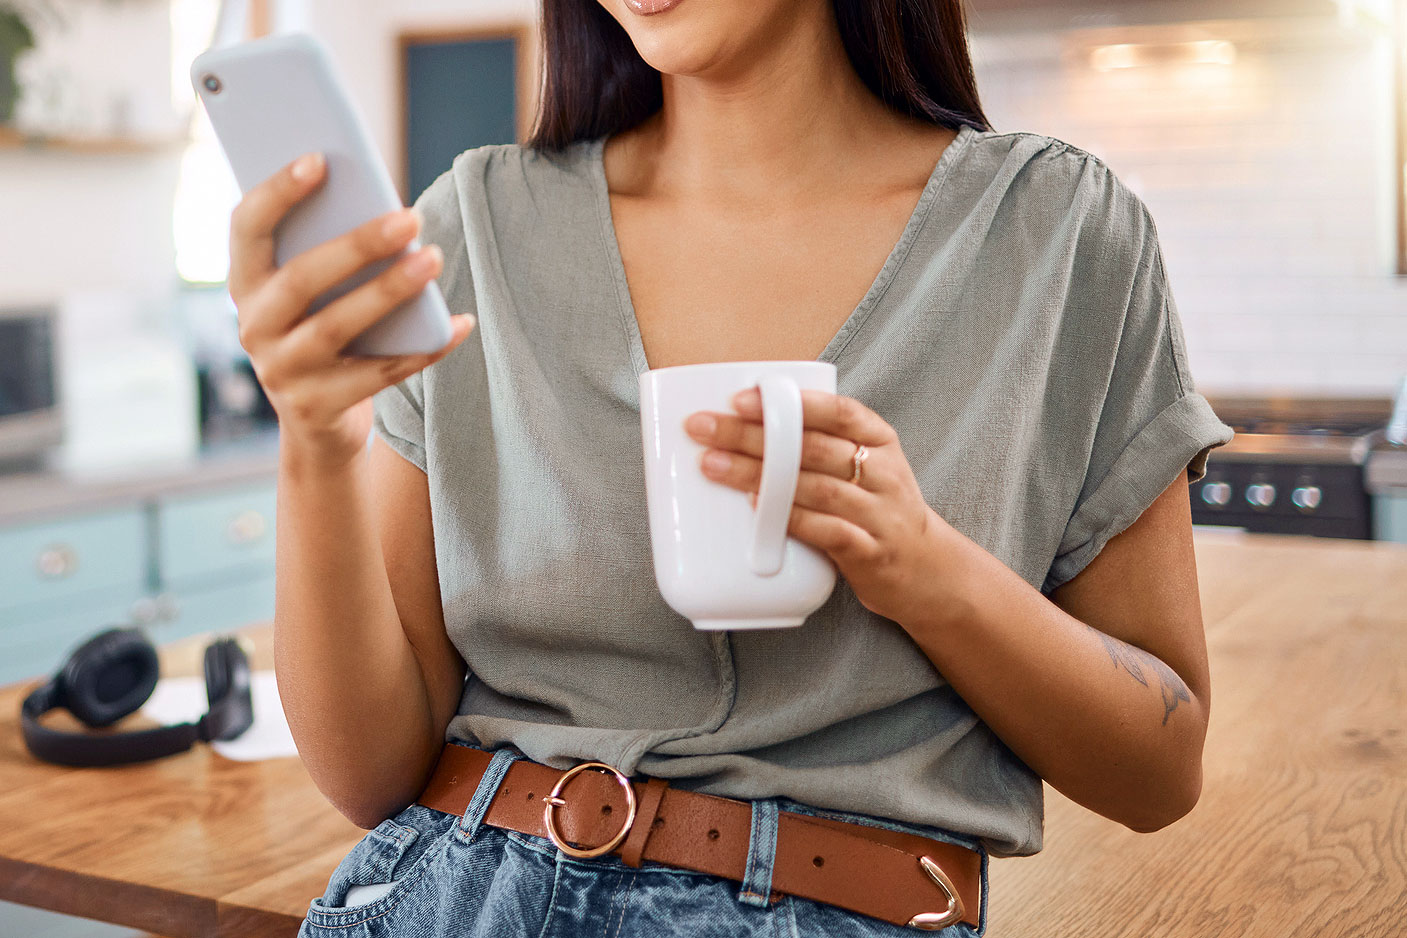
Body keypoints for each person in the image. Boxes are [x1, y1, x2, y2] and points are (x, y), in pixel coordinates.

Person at [227, 0, 1235, 935]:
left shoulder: (1062, 234)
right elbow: (369, 775)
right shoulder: (470, 229)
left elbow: (1159, 771)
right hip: (457, 889)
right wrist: (317, 444)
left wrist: (929, 572)